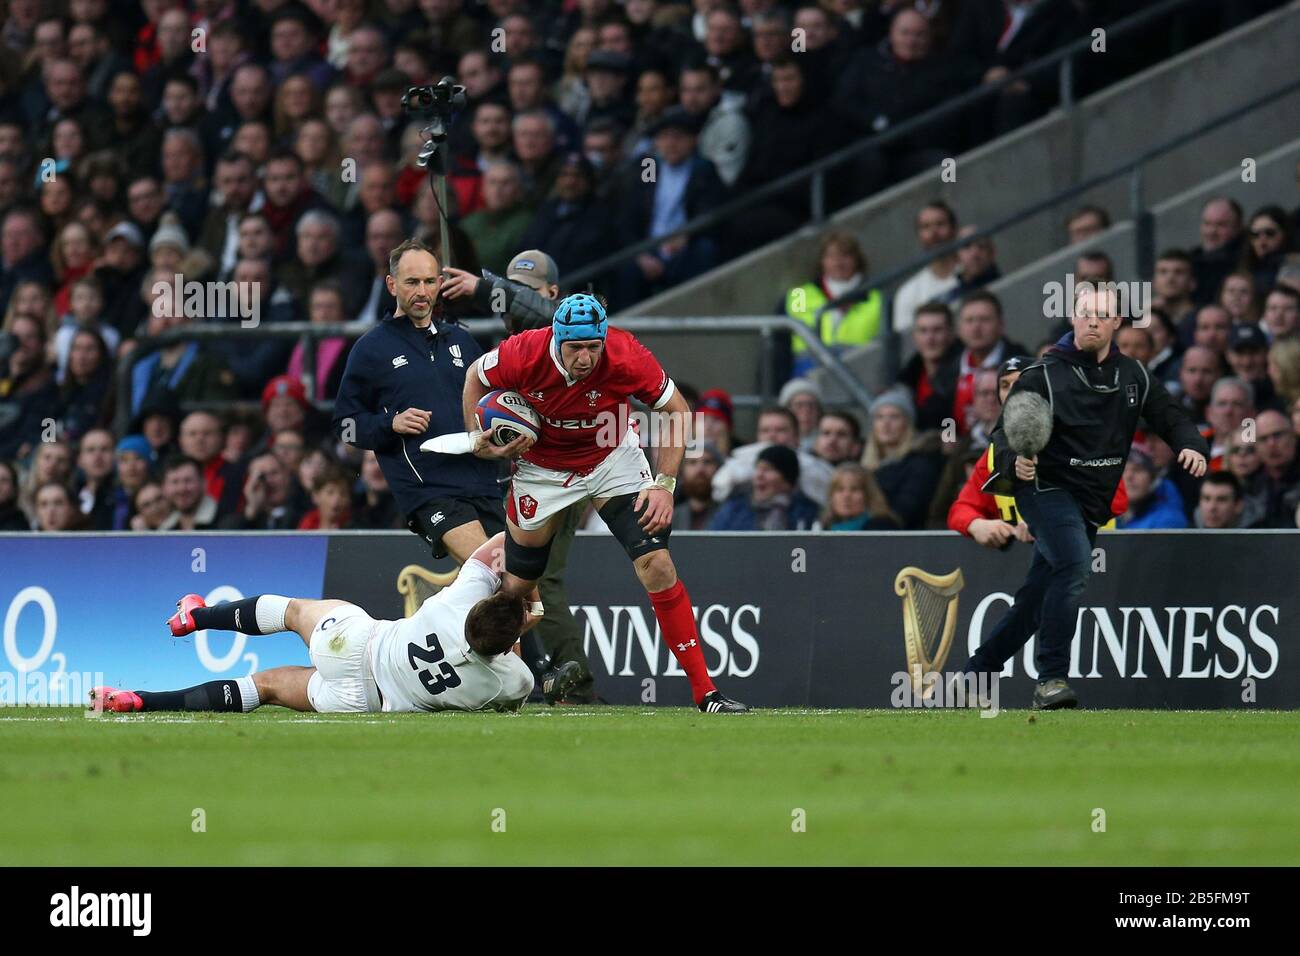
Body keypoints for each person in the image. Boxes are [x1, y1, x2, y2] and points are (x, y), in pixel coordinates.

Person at [463, 292, 750, 713]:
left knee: (657, 564)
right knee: (516, 590)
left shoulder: (625, 353)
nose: (585, 357)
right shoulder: (523, 352)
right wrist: (476, 439)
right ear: (556, 339)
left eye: (592, 347)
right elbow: (475, 376)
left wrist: (664, 483)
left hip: (611, 457)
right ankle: (495, 683)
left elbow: (677, 410)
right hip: (541, 470)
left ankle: (705, 691)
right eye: (575, 348)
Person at [967, 286, 1208, 709]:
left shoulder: (1133, 375)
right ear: (1073, 319)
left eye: (1102, 314)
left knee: (1037, 596)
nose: (1092, 320)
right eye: (1084, 313)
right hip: (1044, 490)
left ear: (1117, 323)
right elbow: (1004, 435)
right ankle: (1051, 679)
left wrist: (1190, 445)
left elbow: (1171, 417)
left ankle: (974, 674)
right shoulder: (1041, 375)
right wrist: (1012, 464)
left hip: (1090, 501)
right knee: (1075, 564)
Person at [91, 533, 580, 715]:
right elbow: (503, 671)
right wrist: (525, 622)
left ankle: (194, 617)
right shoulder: (511, 678)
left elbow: (504, 542)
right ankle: (140, 700)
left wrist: (522, 589)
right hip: (363, 702)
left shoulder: (456, 604)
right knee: (265, 687)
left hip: (355, 644)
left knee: (292, 612)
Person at [333, 239, 503, 564]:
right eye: (412, 282)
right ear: (392, 284)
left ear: (440, 284)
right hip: (429, 490)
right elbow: (345, 424)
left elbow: (491, 403)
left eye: (429, 282)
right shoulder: (371, 348)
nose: (422, 292)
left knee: (515, 594)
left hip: (483, 483)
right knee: (494, 573)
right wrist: (390, 423)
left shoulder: (463, 340)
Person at [782, 230, 882, 380]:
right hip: (807, 372)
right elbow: (787, 341)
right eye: (831, 256)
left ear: (857, 260)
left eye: (845, 256)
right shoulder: (799, 294)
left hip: (861, 372)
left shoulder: (877, 298)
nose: (838, 263)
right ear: (822, 261)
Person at [709, 444, 820, 531]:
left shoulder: (808, 512)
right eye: (757, 468)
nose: (759, 475)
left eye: (768, 469)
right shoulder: (733, 510)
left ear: (787, 481)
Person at [891, 201, 960, 333]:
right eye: (926, 227)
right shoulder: (907, 293)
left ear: (954, 228)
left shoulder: (975, 275)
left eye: (940, 224)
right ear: (919, 235)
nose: (934, 233)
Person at [816, 462, 900, 530]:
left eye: (855, 489)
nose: (846, 496)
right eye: (840, 489)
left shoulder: (882, 527)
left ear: (868, 494)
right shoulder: (823, 527)